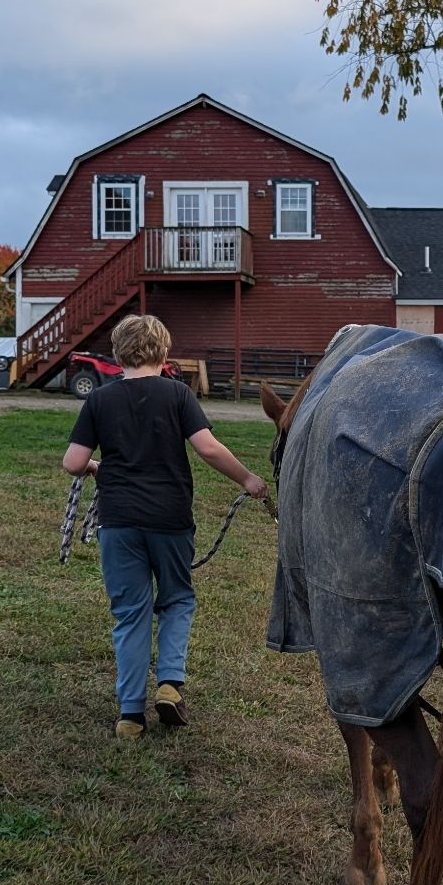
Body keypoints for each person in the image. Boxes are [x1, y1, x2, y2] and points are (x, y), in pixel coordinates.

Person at [61, 314, 267, 740]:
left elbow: (74, 463)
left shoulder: (99, 400)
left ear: (117, 354)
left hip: (118, 523)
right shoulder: (177, 394)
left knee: (130, 613)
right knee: (176, 600)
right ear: (164, 352)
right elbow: (208, 448)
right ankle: (170, 684)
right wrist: (248, 479)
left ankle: (130, 715)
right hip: (170, 519)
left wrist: (100, 466)